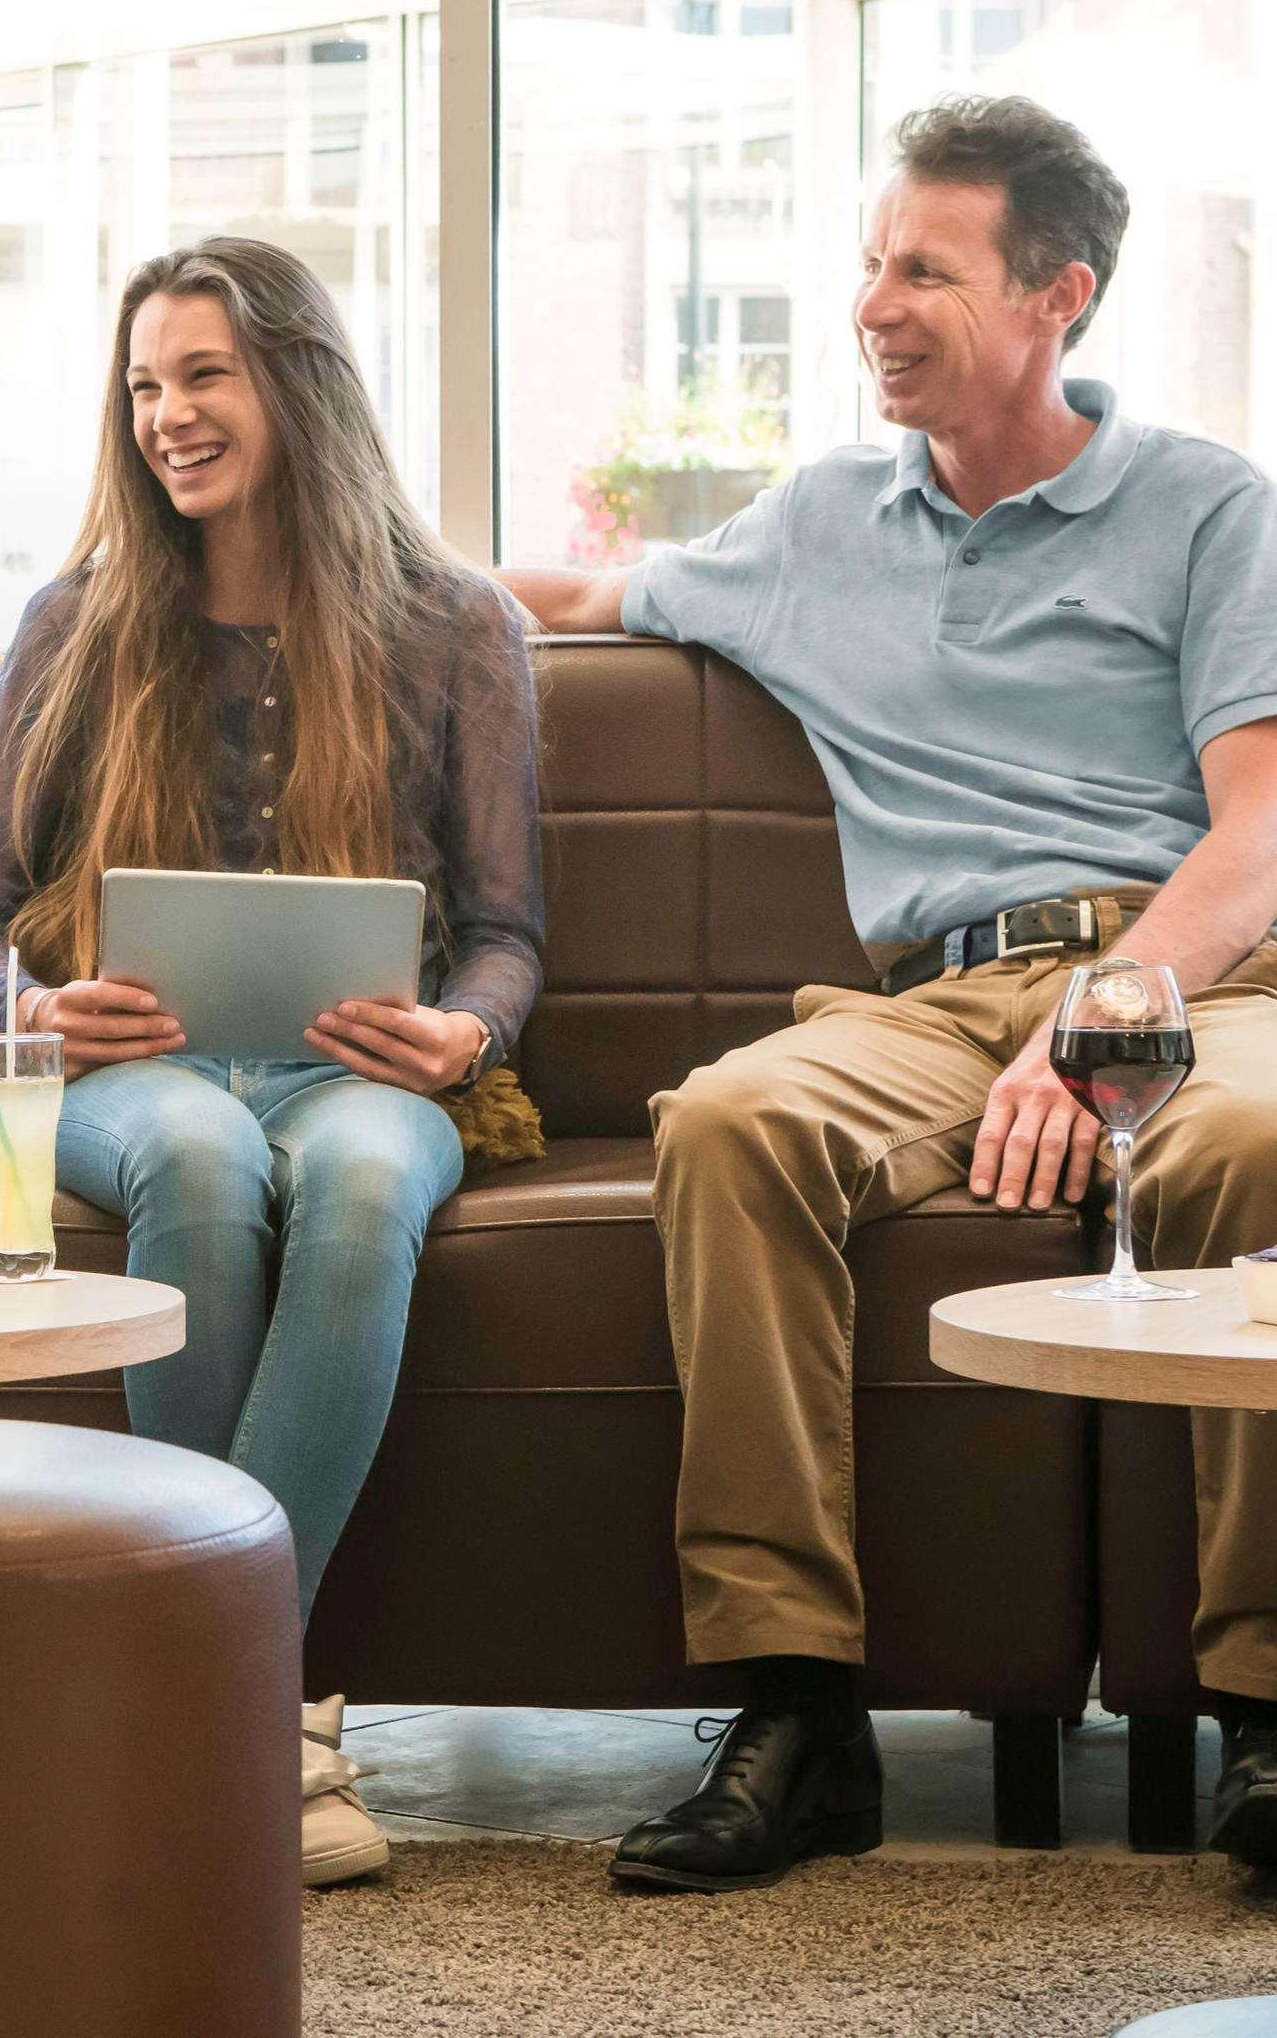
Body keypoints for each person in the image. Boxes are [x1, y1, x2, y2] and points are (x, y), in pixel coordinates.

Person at [503, 95, 1277, 1894]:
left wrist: (1118, 1000)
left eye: (923, 266)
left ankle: (1265, 1713)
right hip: (932, 997)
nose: (872, 301)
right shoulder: (817, 522)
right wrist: (324, 584)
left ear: (1055, 296)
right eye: (870, 261)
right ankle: (797, 1708)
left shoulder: (1206, 506)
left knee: (1245, 1147)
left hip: (1192, 973)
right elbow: (579, 590)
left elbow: (1261, 827)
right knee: (730, 1121)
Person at [0, 236, 545, 1886]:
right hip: (137, 1082)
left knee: (352, 1175)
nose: (169, 415)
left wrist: (460, 1031)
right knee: (200, 1162)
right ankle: (263, 1724)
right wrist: (40, 1009)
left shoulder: (457, 624)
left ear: (296, 383)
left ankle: (191, 1706)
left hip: (368, 1077)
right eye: (143, 384)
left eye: (203, 374)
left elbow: (507, 932)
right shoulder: (74, 622)